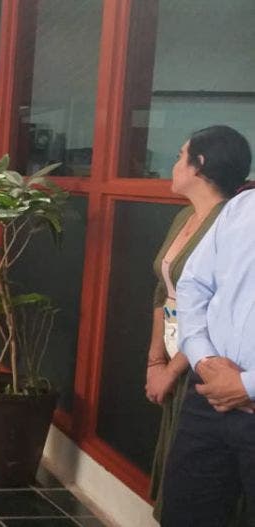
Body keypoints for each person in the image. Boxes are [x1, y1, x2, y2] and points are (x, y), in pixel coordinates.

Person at [145, 126, 250, 521]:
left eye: (179, 155)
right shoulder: (235, 212)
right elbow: (183, 288)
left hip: (224, 381)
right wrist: (166, 360)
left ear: (199, 164)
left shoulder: (227, 213)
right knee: (186, 498)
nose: (173, 164)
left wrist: (242, 384)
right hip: (200, 376)